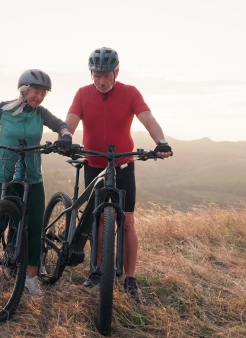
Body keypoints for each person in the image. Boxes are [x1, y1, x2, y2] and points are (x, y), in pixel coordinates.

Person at [64, 47, 172, 302]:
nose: (101, 82)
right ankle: (98, 271)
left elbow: (148, 119)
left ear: (116, 72)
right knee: (100, 221)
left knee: (129, 222)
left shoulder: (130, 92)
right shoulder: (82, 93)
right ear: (91, 74)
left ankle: (130, 278)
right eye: (96, 76)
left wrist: (162, 141)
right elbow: (70, 120)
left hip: (122, 164)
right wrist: (66, 137)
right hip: (93, 163)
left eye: (106, 76)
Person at [0, 69, 72, 297]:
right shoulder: (4, 108)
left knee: (35, 226)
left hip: (32, 174)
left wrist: (65, 136)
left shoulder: (41, 113)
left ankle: (31, 278)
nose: (40, 97)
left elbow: (59, 123)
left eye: (44, 93)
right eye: (36, 92)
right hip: (5, 170)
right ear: (24, 91)